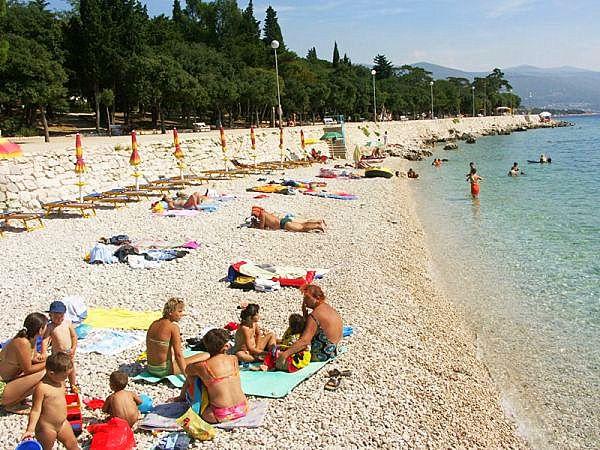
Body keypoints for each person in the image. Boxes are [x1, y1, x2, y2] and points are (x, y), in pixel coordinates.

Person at [185, 328, 247, 424]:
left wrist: (202, 357)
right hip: (242, 408)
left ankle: (183, 399)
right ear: (225, 346)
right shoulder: (234, 359)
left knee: (194, 377)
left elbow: (187, 370)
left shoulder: (203, 366)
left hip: (219, 414)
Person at [21, 352, 78, 450]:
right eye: (65, 376)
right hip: (46, 428)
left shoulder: (60, 382)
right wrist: (30, 429)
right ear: (51, 373)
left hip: (62, 423)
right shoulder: (42, 388)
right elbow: (35, 410)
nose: (66, 378)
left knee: (73, 445)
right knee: (46, 448)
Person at [277, 284, 342, 366]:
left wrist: (285, 355)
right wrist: (305, 316)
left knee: (286, 351)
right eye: (304, 297)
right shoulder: (327, 308)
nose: (304, 300)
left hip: (322, 354)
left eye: (307, 298)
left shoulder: (314, 315)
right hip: (333, 350)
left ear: (317, 298)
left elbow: (305, 341)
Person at [146, 298, 207, 377]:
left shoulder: (154, 324)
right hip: (164, 370)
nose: (182, 314)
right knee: (205, 355)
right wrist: (186, 375)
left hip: (150, 368)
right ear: (170, 312)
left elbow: (155, 346)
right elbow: (178, 355)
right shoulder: (173, 327)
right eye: (179, 311)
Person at [0, 313, 47, 414]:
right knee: (45, 374)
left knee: (46, 369)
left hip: (8, 380)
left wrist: (44, 360)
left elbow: (32, 359)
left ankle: (16, 398)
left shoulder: (31, 338)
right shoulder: (22, 342)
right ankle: (11, 405)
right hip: (1, 385)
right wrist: (48, 363)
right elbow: (28, 370)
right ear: (40, 330)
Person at [43, 301, 78, 392]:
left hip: (69, 352)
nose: (59, 319)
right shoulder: (50, 327)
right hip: (57, 354)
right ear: (50, 315)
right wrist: (43, 352)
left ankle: (73, 385)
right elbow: (45, 340)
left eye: (61, 317)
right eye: (56, 317)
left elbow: (74, 336)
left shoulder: (67, 323)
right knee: (60, 371)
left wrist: (73, 349)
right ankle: (62, 387)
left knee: (71, 369)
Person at [249, 206, 326, 233]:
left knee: (302, 228)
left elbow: (262, 227)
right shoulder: (265, 213)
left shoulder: (262, 214)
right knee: (302, 224)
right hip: (283, 221)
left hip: (283, 224)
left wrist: (255, 224)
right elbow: (267, 224)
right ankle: (318, 223)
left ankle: (317, 226)